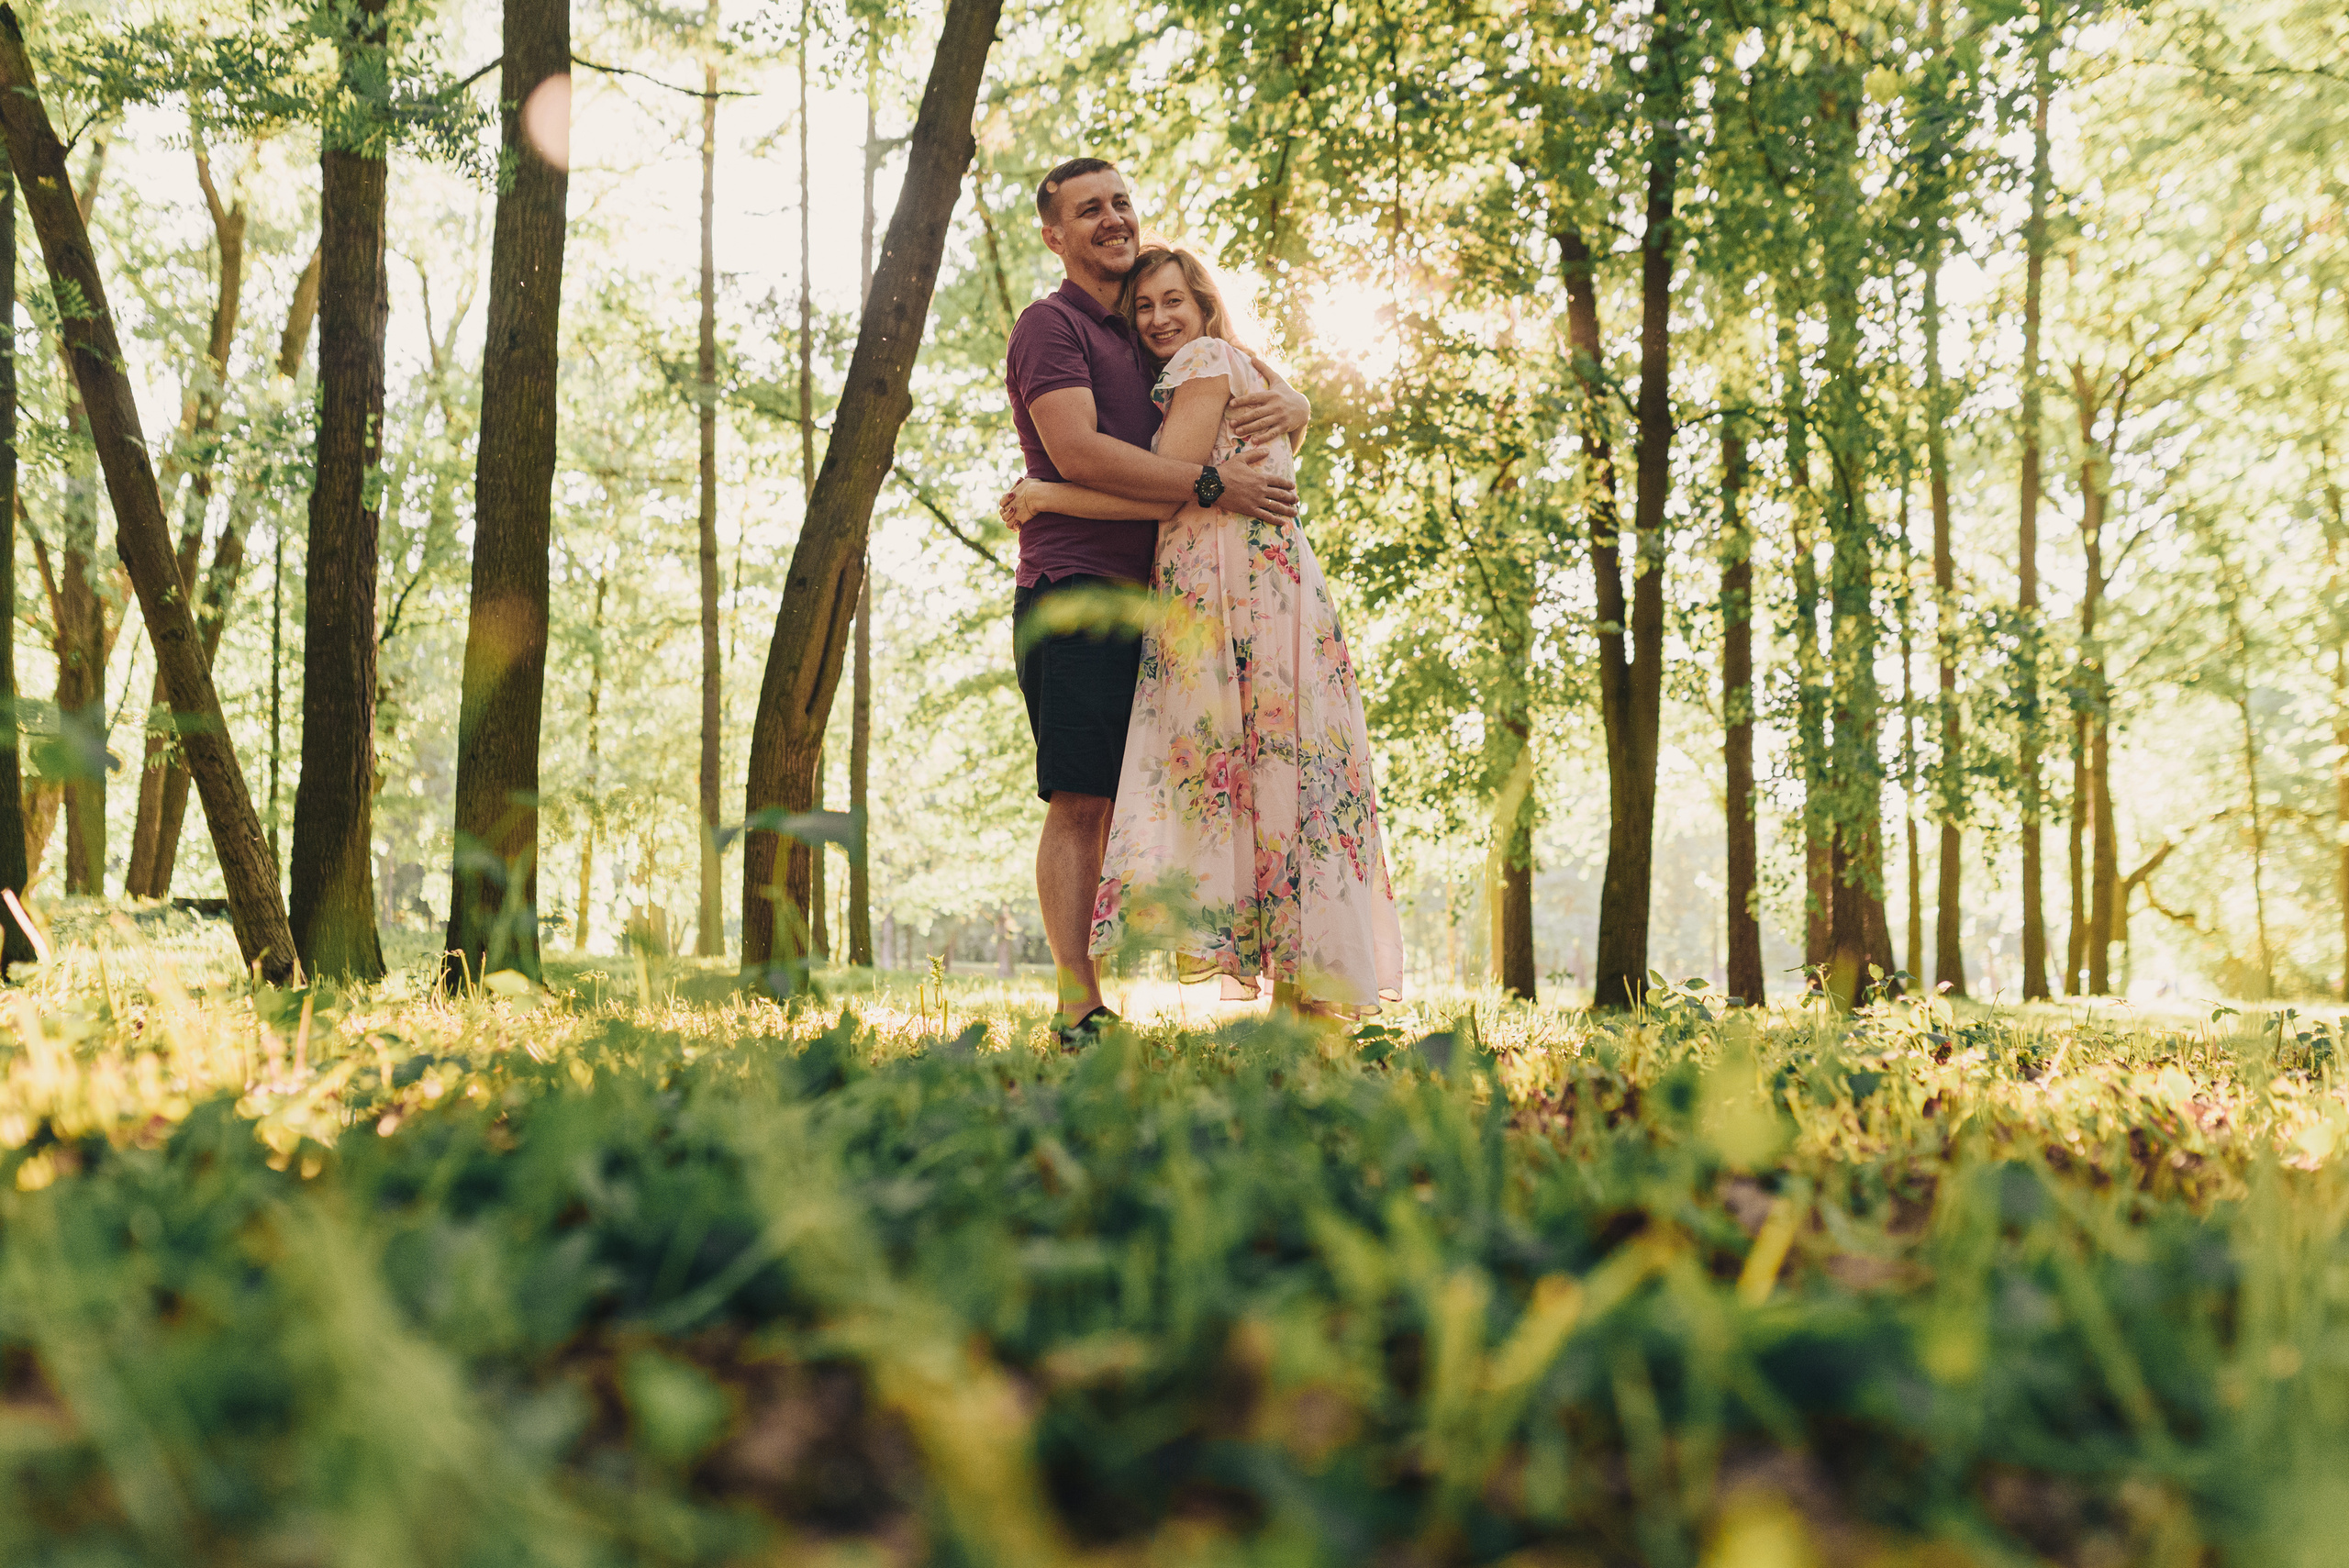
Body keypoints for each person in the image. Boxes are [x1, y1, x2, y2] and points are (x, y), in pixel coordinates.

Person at [1007, 246, 1404, 1019]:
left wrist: (1048, 495)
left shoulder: (1203, 361)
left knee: (1265, 771)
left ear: (1204, 306)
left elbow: (1171, 492)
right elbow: (1219, 463)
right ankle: (1303, 993)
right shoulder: (1207, 360)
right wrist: (1296, 404)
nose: (1158, 318)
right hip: (1251, 590)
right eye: (1144, 306)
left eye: (1173, 302)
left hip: (1235, 592)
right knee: (1280, 774)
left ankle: (1302, 995)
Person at [1005, 157, 1311, 1045]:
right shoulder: (1051, 326)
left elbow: (1254, 382)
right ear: (1053, 235)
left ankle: (1278, 980)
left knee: (1165, 795)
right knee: (1080, 797)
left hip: (1175, 601)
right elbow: (1078, 453)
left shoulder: (1153, 337)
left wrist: (1297, 402)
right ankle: (1078, 1007)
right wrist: (1212, 484)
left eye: (1120, 202)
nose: (1111, 218)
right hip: (1078, 588)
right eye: (1087, 210)